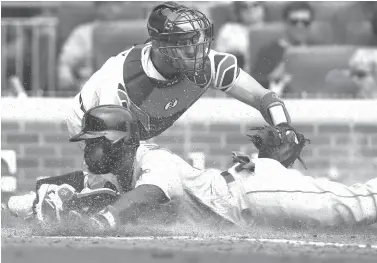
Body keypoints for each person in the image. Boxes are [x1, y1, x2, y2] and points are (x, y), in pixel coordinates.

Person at [5, 105, 377, 232]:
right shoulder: (114, 171)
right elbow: (75, 181)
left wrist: (104, 220)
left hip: (249, 193)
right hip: (241, 209)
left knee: (354, 208)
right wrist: (21, 200)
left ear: (119, 141)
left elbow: (147, 194)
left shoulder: (154, 161)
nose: (88, 148)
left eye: (94, 141)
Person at [66, 1, 294, 155]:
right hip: (91, 119)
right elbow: (112, 150)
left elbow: (263, 97)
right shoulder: (122, 81)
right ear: (159, 45)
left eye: (199, 41)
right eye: (185, 43)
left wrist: (284, 128)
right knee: (118, 185)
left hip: (136, 129)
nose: (196, 51)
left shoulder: (209, 63)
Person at [58, 1, 128, 92]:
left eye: (116, 3)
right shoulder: (83, 32)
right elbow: (65, 63)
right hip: (91, 88)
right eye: (106, 3)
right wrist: (66, 76)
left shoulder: (134, 33)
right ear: (98, 6)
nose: (111, 8)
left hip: (127, 88)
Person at [251, 1, 315, 95]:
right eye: (294, 22)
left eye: (305, 22)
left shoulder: (317, 50)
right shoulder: (268, 51)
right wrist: (273, 77)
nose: (299, 26)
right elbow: (254, 83)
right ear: (285, 23)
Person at [215, 1, 266, 71]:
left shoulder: (273, 30)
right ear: (238, 11)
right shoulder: (228, 29)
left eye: (255, 5)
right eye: (244, 6)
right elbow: (218, 56)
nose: (250, 9)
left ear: (263, 7)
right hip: (237, 72)